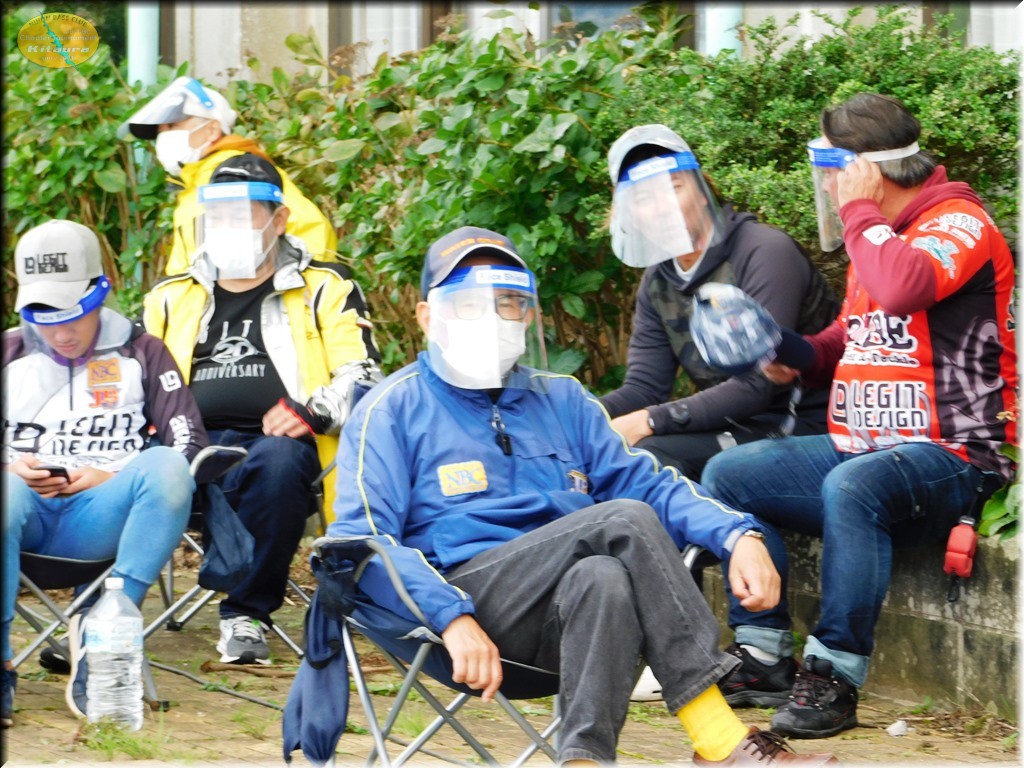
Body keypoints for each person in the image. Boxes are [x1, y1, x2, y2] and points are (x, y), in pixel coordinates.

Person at [321, 225, 837, 764]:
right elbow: (361, 542)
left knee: (603, 576)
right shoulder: (391, 410)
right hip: (458, 612)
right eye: (469, 305)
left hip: (559, 623)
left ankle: (583, 759)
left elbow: (648, 483)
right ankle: (719, 739)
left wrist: (738, 534)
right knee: (622, 521)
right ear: (429, 317)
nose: (492, 318)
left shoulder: (564, 400)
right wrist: (450, 616)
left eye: (507, 302)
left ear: (528, 314)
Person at [701, 92, 1017, 739]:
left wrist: (860, 213)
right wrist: (780, 349)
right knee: (730, 475)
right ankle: (763, 656)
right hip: (867, 449)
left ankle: (835, 676)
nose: (830, 188)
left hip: (955, 454)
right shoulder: (878, 237)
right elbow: (845, 343)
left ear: (864, 170)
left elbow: (905, 287)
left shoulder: (960, 223)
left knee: (854, 484)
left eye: (834, 173)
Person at [142, 154, 382, 665]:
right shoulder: (170, 297)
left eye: (242, 213)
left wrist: (313, 413)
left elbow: (364, 377)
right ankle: (101, 613)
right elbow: (135, 380)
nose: (226, 226)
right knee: (125, 463)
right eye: (217, 215)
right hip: (188, 446)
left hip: (279, 448)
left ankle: (245, 614)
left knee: (277, 461)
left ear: (279, 220)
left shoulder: (326, 287)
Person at [2, 219, 207, 726]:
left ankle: (106, 641)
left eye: (74, 315)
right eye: (43, 318)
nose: (61, 333)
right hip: (19, 521)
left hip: (103, 521)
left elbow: (189, 444)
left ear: (101, 292)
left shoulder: (144, 350)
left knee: (167, 467)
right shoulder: (8, 352)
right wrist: (12, 468)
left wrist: (114, 477)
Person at [600, 124, 838, 481]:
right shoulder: (657, 281)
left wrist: (650, 420)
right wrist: (579, 415)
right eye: (644, 198)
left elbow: (759, 384)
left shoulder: (763, 250)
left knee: (651, 453)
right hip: (738, 425)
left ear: (701, 190)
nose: (662, 208)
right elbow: (644, 387)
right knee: (611, 452)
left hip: (806, 426)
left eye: (674, 188)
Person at [120, 76, 337, 275]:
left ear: (212, 129)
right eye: (161, 131)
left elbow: (312, 232)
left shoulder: (242, 172)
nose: (165, 137)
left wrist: (298, 292)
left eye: (173, 126)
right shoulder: (198, 179)